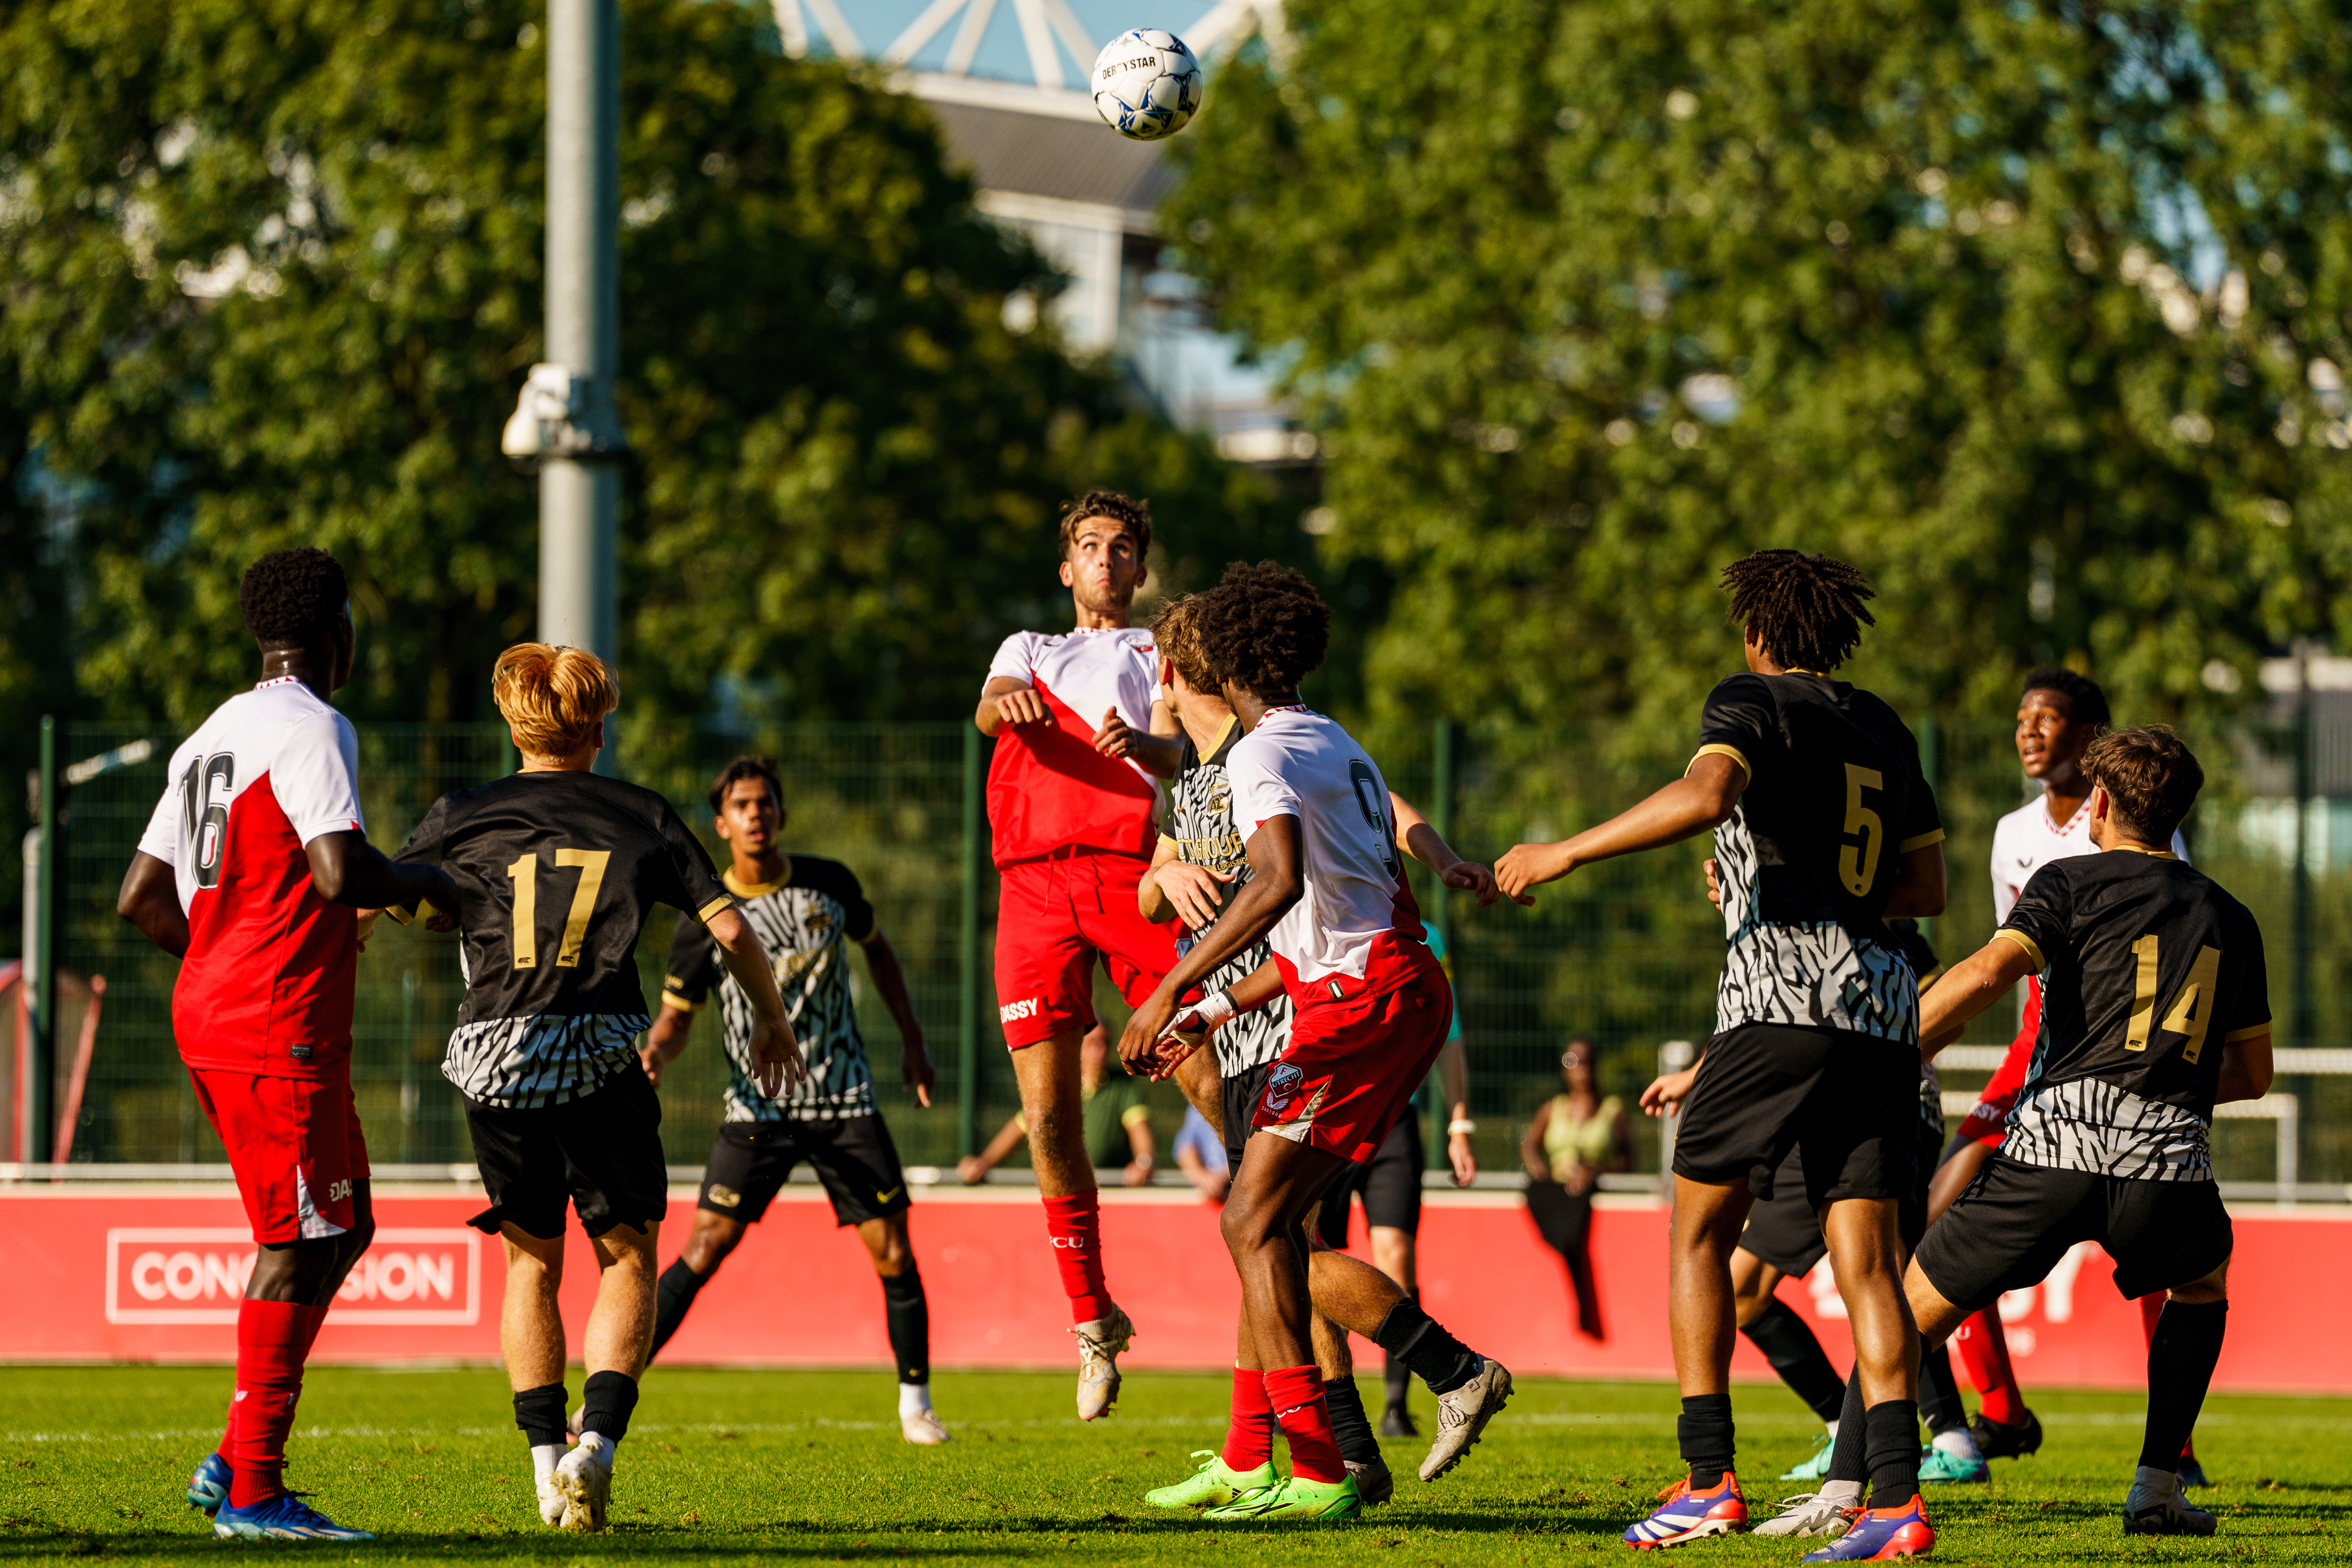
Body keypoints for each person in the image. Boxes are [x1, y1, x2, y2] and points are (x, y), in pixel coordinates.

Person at [1497, 550, 1947, 1559]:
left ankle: (1706, 1479)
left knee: (1698, 1232)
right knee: (1869, 1263)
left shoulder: (1749, 700)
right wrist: (1767, 878)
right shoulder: (1884, 724)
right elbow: (1924, 889)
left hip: (1781, 996)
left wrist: (1561, 852)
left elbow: (1705, 795)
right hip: (1881, 1007)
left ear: (1756, 634)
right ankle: (1893, 1504)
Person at [1120, 561, 1512, 1525]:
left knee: (1257, 1225)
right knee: (1270, 1228)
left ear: (1230, 654)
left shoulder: (1257, 758)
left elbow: (1276, 883)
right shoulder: (1334, 740)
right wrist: (1206, 1014)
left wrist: (1167, 984)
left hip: (1358, 1007)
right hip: (1380, 992)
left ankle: (1335, 1456)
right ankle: (1311, 1450)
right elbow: (1322, 926)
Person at [389, 645, 802, 1531]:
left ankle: (546, 1469)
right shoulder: (640, 812)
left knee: (530, 1263)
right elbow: (729, 926)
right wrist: (771, 1021)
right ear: (599, 729)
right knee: (627, 1253)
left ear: (513, 726)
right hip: (600, 1052)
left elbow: (384, 900)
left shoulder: (462, 813)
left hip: (493, 1052)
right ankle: (598, 1445)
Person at [118, 548, 460, 1543]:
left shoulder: (211, 733)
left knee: (343, 1229)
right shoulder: (317, 725)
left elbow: (141, 898)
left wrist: (224, 958)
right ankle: (255, 1492)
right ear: (337, 636)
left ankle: (235, 1454)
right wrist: (427, 885)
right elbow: (340, 868)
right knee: (296, 1241)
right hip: (274, 1023)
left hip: (227, 1012)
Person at [1905, 727, 2270, 1539]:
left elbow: (1985, 974)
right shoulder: (2231, 917)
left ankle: (1861, 1492)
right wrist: (2165, 1095)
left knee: (1908, 1309)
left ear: (2100, 803)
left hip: (2054, 1153)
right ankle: (2156, 1485)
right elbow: (2254, 1075)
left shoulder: (2066, 879)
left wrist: (1886, 1051)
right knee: (2202, 1283)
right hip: (2168, 1166)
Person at [1932, 669, 2198, 1479]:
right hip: (2033, 1046)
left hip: (2115, 1049)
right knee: (1940, 1206)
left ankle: (2173, 1448)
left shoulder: (2141, 825)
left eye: (2047, 717)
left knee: (2165, 1255)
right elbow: (2006, 957)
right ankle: (1996, 1413)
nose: (2028, 731)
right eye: (2021, 718)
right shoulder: (2012, 831)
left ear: (2093, 736)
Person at [636, 756, 947, 1445]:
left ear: (780, 814)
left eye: (764, 802)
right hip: (757, 1111)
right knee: (704, 1245)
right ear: (721, 825)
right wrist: (656, 1049)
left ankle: (916, 1405)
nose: (755, 813)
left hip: (843, 1098)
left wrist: (913, 1041)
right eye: (741, 805)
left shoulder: (830, 884)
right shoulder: (704, 915)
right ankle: (611, 1399)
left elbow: (880, 952)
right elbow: (677, 1016)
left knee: (893, 1249)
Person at [972, 489, 1185, 1421]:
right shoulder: (1027, 650)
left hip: (1129, 876)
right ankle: (1094, 1323)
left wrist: (1145, 742)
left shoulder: (1162, 652)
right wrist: (1005, 702)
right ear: (1067, 569)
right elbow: (989, 712)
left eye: (1122, 547)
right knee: (1049, 1120)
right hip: (1029, 887)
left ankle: (1286, 1252)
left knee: (1211, 1083)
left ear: (1141, 569)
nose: (1105, 559)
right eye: (1090, 547)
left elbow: (1191, 751)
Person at [1318, 918, 1479, 1438]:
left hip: (1394, 1121)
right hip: (1333, 1114)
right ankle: (1320, 1400)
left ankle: (1394, 1404)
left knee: (1397, 1258)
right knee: (1314, 1257)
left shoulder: (1427, 935)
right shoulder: (1320, 915)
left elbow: (1448, 1033)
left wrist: (1459, 1124)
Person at [1520, 1038, 1632, 1339]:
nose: (1580, 1068)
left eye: (1586, 1060)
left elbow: (1629, 1160)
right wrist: (1541, 1171)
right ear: (1563, 1068)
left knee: (1574, 1230)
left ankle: (1586, 1312)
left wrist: (1592, 1172)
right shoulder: (1552, 1108)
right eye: (1572, 1060)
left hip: (1591, 1192)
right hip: (1555, 1190)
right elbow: (1530, 1145)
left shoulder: (1612, 1110)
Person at [956, 1025, 1157, 1187]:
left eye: (1105, 1042)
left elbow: (1139, 1131)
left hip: (1111, 1195)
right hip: (1064, 1193)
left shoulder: (1124, 1085)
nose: (1100, 1050)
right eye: (1093, 1043)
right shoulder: (1058, 1084)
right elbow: (1022, 1126)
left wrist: (1143, 1163)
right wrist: (984, 1163)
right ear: (1078, 1045)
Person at [1173, 1105, 1232, 1202]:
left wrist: (1222, 1177)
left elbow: (1252, 1155)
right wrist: (1201, 1175)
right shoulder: (1197, 1106)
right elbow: (1185, 1146)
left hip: (1239, 1193)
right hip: (1202, 1196)